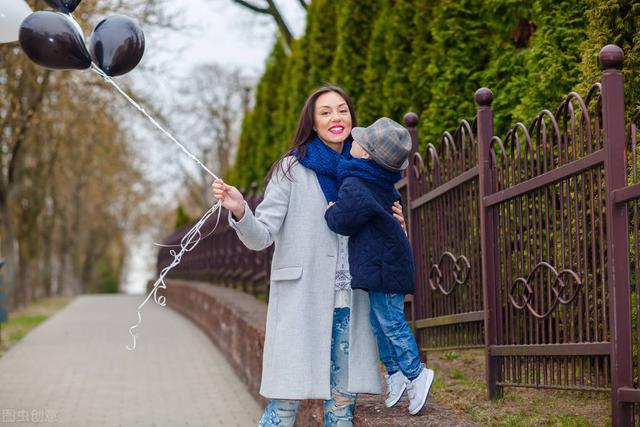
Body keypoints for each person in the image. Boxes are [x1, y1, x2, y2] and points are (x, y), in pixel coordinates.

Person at [211, 86, 406, 427]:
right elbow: (262, 237)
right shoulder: (291, 169)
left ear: (352, 118)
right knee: (283, 407)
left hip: (354, 300)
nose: (336, 118)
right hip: (303, 300)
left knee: (342, 408)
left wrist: (398, 228)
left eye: (342, 110)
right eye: (326, 112)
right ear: (313, 123)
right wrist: (241, 210)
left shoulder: (370, 170)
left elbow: (384, 236)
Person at [324, 117, 435, 416]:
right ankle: (396, 372)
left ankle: (416, 374)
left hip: (384, 266)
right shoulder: (376, 181)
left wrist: (330, 212)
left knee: (391, 323)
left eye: (358, 141)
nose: (352, 142)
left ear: (367, 155)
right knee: (379, 321)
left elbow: (343, 221)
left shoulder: (357, 183)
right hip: (382, 263)